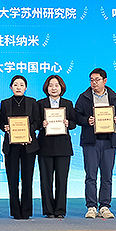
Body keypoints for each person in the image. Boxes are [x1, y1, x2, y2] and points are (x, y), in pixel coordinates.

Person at [74, 68, 116, 219]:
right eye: (91, 80)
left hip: (109, 141)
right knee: (91, 175)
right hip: (91, 141)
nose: (94, 83)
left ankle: (104, 206)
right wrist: (87, 120)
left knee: (107, 176)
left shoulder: (114, 97)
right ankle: (91, 206)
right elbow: (76, 116)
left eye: (97, 80)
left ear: (105, 80)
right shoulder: (84, 97)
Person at [0, 75, 40, 219]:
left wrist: (28, 131)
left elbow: (37, 121)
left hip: (28, 146)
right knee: (12, 179)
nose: (18, 87)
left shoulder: (32, 102)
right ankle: (15, 211)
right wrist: (4, 127)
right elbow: (0, 121)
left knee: (27, 179)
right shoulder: (5, 103)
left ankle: (26, 211)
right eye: (15, 85)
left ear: (26, 88)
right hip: (11, 147)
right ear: (11, 87)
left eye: (21, 85)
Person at [37, 75, 75, 218]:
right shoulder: (40, 104)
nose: (54, 88)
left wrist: (68, 123)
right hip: (45, 146)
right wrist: (41, 124)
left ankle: (60, 210)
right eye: (51, 85)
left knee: (61, 180)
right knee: (46, 180)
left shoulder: (68, 104)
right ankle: (48, 210)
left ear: (61, 87)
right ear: (46, 88)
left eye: (56, 85)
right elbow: (35, 122)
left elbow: (74, 123)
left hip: (63, 146)